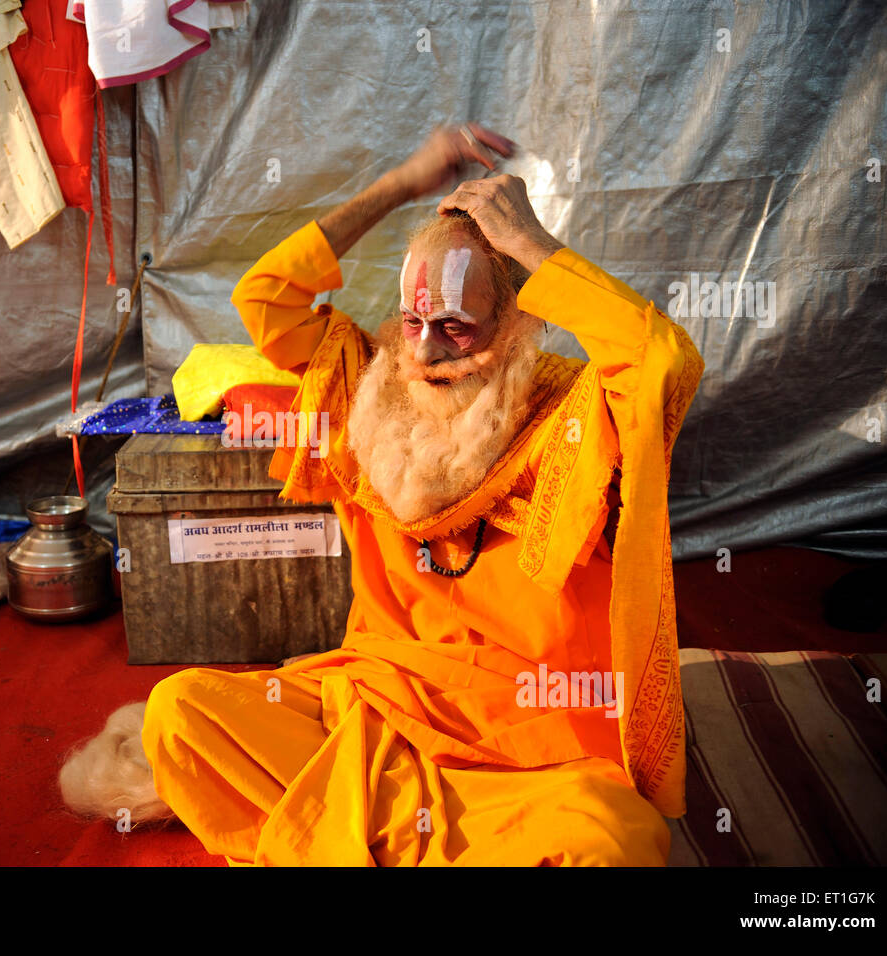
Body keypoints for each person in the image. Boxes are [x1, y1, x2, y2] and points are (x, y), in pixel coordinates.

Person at [61, 123, 704, 866]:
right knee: (177, 714)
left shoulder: (569, 413)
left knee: (609, 840)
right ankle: (391, 832)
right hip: (378, 712)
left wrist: (532, 242)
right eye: (413, 321)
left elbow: (662, 360)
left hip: (527, 745)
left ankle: (349, 832)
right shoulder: (365, 390)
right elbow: (265, 297)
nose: (426, 351)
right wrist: (403, 183)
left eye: (457, 327)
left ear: (519, 319)